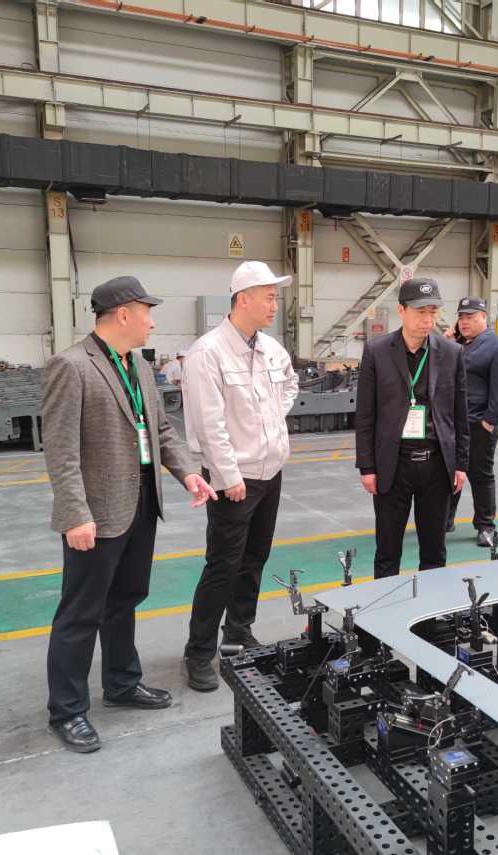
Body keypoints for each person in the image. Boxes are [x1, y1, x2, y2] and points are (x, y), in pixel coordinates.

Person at [42, 275, 217, 753]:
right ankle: (67, 710)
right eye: (147, 312)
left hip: (140, 504)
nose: (152, 322)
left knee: (125, 599)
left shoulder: (137, 365)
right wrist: (75, 514)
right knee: (81, 612)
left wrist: (187, 474)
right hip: (96, 514)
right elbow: (61, 451)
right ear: (123, 314)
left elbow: (159, 430)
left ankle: (121, 682)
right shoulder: (71, 366)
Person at [181, 260, 300, 692]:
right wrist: (229, 475)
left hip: (270, 472)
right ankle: (198, 652)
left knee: (254, 559)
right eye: (268, 297)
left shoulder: (272, 349)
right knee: (223, 565)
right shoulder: (208, 353)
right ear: (243, 299)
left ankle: (237, 634)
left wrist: (269, 419)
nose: (274, 305)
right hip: (234, 479)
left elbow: (290, 385)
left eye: (275, 297)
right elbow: (208, 424)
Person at [355, 278, 469, 579]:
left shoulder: (451, 353)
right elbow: (365, 414)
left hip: (437, 465)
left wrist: (461, 464)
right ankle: (385, 605)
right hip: (393, 464)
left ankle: (431, 606)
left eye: (433, 311)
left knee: (434, 551)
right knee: (387, 550)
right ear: (401, 311)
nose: (428, 319)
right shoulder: (377, 351)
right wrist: (367, 466)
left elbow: (460, 414)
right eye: (420, 311)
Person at [445, 297, 498, 547]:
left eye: (471, 317)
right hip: (452, 422)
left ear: (483, 317)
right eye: (461, 317)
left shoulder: (497, 345)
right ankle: (445, 519)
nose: (464, 322)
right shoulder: (457, 344)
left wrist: (489, 422)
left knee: (480, 474)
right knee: (449, 471)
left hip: (478, 423)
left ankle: (485, 526)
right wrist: (447, 343)